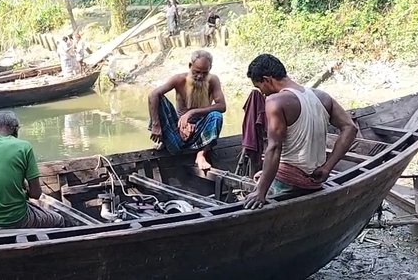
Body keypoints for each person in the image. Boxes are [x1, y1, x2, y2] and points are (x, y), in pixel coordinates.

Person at [243, 54, 357, 210]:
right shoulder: (322, 97)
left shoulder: (275, 101)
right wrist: (327, 168)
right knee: (260, 176)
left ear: (267, 79)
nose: (262, 94)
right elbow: (350, 128)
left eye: (259, 87)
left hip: (287, 182)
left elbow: (274, 147)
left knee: (251, 195)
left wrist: (261, 191)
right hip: (314, 182)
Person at [147, 50, 226, 170]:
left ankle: (201, 154)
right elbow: (153, 95)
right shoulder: (179, 79)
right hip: (178, 131)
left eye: (204, 73)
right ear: (190, 66)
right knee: (159, 99)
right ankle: (164, 140)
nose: (200, 76)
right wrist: (156, 125)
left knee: (216, 115)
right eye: (196, 72)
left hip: (201, 131)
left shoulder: (213, 80)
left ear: (210, 69)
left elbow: (222, 106)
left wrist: (191, 112)